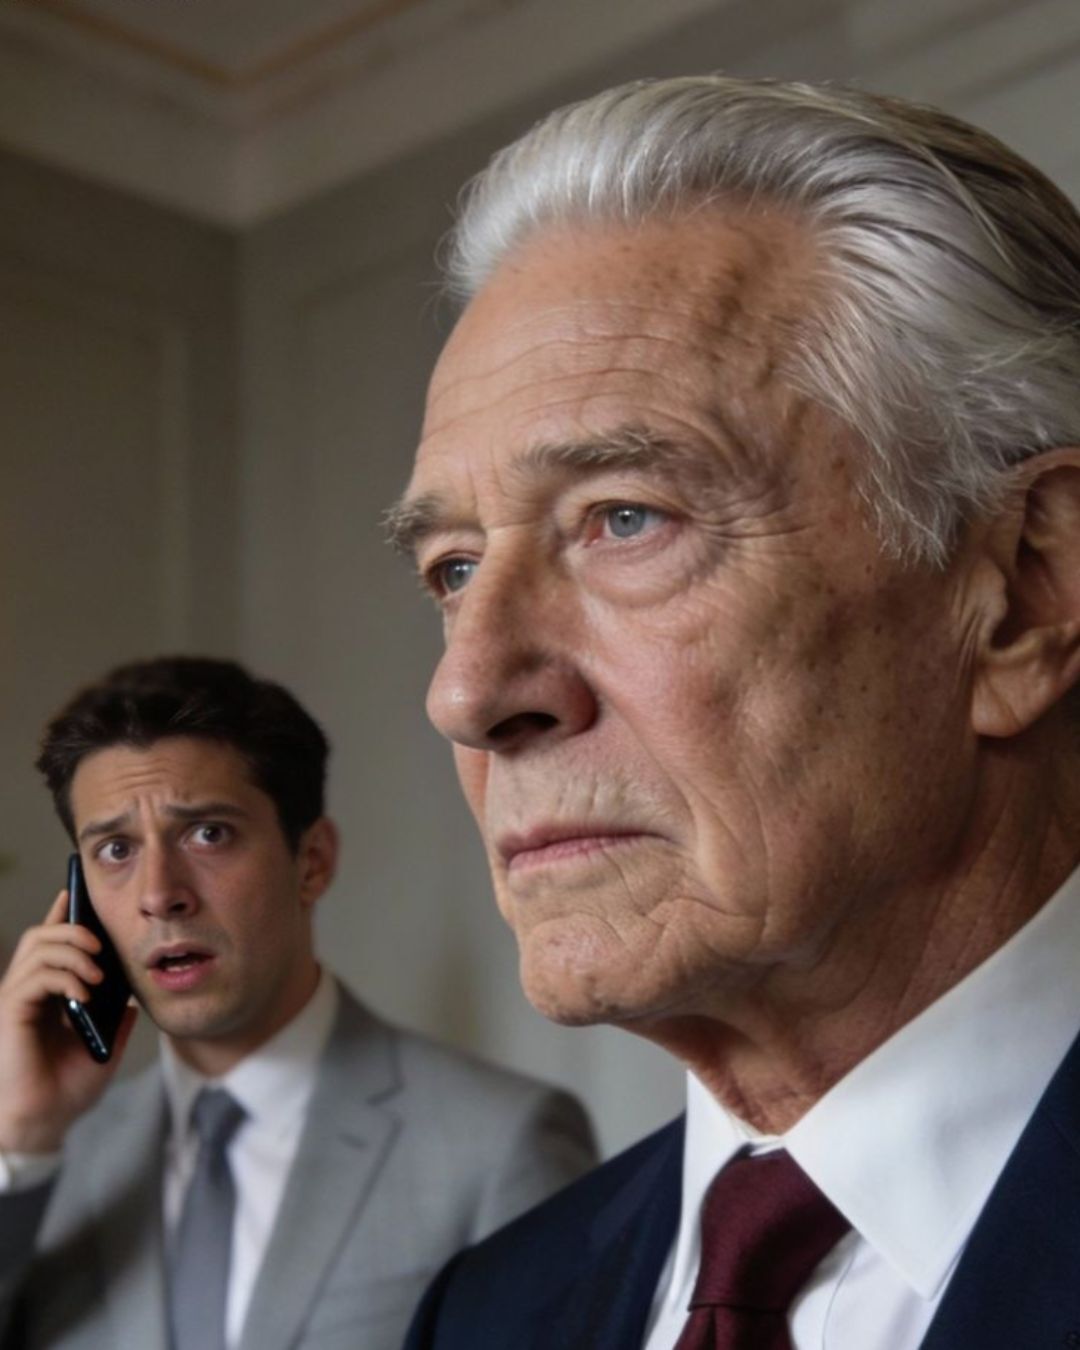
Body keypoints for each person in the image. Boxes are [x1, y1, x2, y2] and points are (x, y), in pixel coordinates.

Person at [388, 74, 1080, 1349]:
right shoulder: (487, 1312)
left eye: (624, 519)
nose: (469, 694)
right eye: (455, 570)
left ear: (1026, 591)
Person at [0, 656, 596, 1350]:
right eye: (114, 850)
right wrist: (21, 1140)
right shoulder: (49, 1160)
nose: (159, 893)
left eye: (208, 833)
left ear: (311, 862)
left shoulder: (501, 1143)